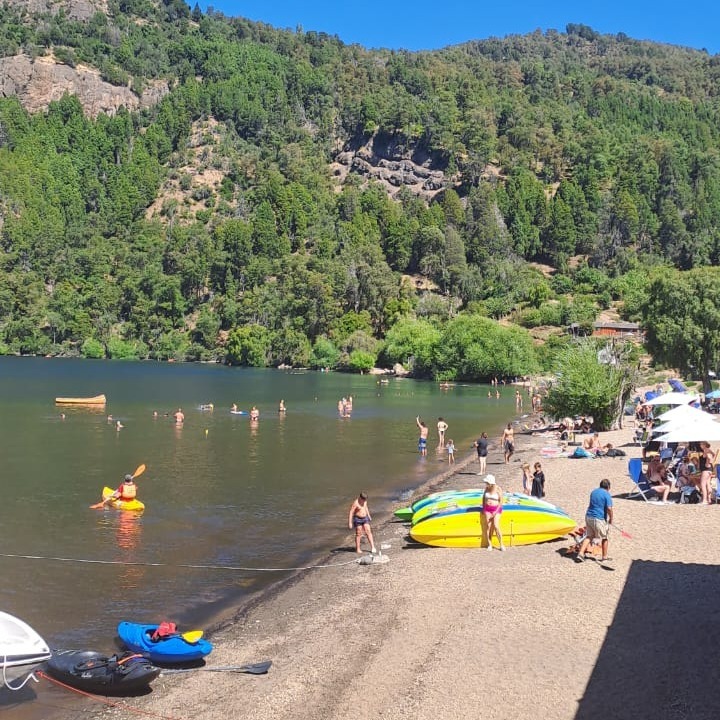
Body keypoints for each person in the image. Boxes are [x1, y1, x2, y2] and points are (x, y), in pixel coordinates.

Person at [576, 479, 613, 563]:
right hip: (598, 518)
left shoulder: (593, 492)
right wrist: (611, 519)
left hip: (589, 516)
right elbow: (609, 508)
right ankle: (604, 557)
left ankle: (581, 553)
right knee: (604, 537)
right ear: (608, 487)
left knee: (589, 536)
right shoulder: (606, 494)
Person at [482, 475, 505, 551]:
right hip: (487, 509)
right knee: (488, 527)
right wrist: (483, 508)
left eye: (487, 482)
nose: (486, 483)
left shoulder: (498, 489)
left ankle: (501, 544)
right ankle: (490, 544)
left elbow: (501, 501)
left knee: (496, 526)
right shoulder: (487, 489)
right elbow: (483, 499)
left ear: (491, 483)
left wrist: (495, 511)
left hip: (496, 509)